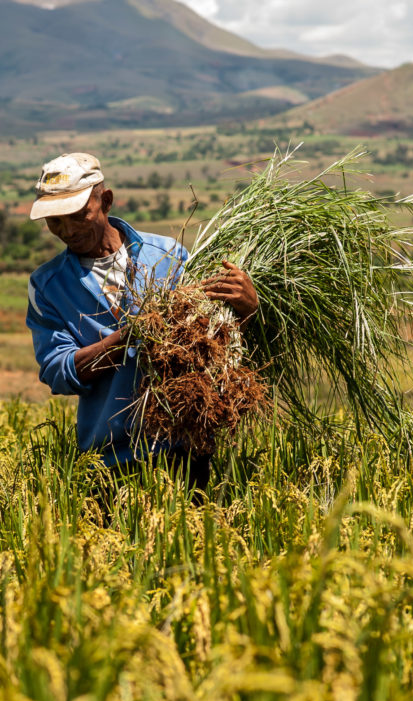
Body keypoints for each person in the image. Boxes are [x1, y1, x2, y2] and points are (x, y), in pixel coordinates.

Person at [24, 152, 258, 496]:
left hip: (185, 451)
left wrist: (248, 308)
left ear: (105, 201)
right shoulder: (48, 286)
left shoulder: (168, 256)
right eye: (55, 222)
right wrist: (128, 338)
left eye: (77, 215)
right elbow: (58, 371)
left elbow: (214, 342)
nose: (67, 231)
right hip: (110, 462)